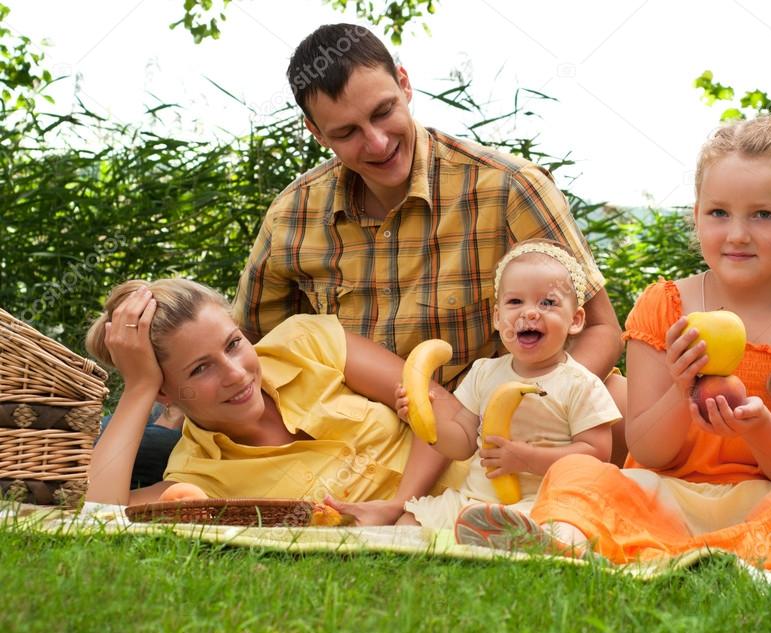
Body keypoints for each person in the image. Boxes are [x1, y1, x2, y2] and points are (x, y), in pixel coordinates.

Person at [453, 116, 771, 585]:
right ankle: (559, 547)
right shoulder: (664, 308)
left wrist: (759, 426)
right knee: (576, 472)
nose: (737, 234)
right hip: (666, 501)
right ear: (697, 216)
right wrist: (680, 390)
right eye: (719, 213)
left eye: (763, 214)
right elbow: (648, 453)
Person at [233, 23, 627, 456]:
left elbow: (601, 329)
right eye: (346, 133)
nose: (377, 142)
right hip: (353, 442)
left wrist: (533, 403)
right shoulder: (292, 215)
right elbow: (252, 346)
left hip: (490, 438)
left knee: (622, 398)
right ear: (316, 133)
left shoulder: (508, 188)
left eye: (383, 111)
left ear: (404, 84)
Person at [83, 279, 464, 518]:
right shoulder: (198, 474)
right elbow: (99, 514)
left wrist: (398, 506)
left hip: (489, 479)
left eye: (233, 344)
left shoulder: (306, 342)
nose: (235, 373)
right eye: (201, 369)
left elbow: (440, 407)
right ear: (163, 391)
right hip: (461, 530)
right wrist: (137, 389)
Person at [386, 240, 621, 530]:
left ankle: (522, 536)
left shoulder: (579, 383)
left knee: (569, 528)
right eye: (515, 302)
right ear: (498, 318)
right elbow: (461, 442)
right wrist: (425, 421)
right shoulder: (485, 372)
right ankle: (480, 531)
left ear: (575, 320)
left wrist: (528, 459)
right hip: (477, 498)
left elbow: (597, 455)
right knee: (410, 520)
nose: (530, 313)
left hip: (547, 500)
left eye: (547, 303)